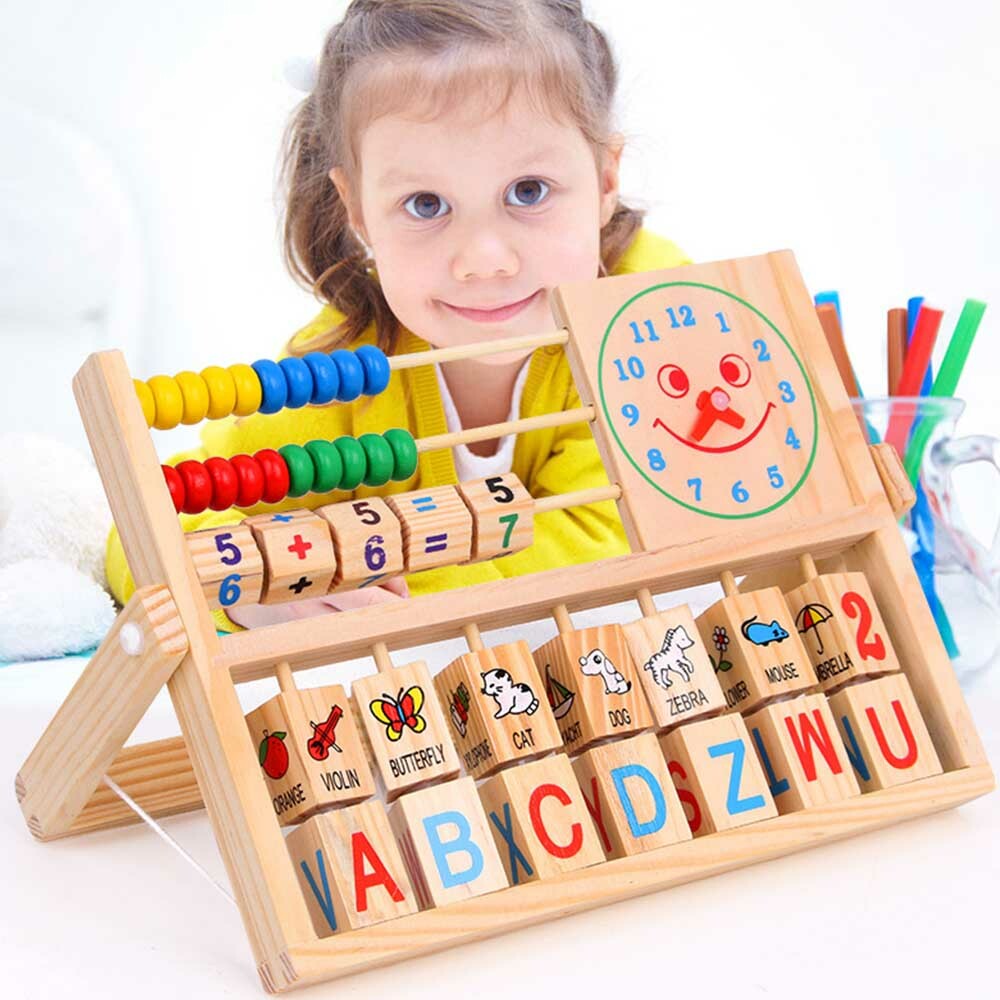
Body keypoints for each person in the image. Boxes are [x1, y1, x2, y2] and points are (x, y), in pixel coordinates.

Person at [105, 0, 692, 631]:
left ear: (606, 181)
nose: (483, 260)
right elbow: (142, 530)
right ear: (357, 209)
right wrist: (246, 588)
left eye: (528, 191)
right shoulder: (340, 370)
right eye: (425, 203)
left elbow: (620, 533)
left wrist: (390, 597)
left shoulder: (654, 319)